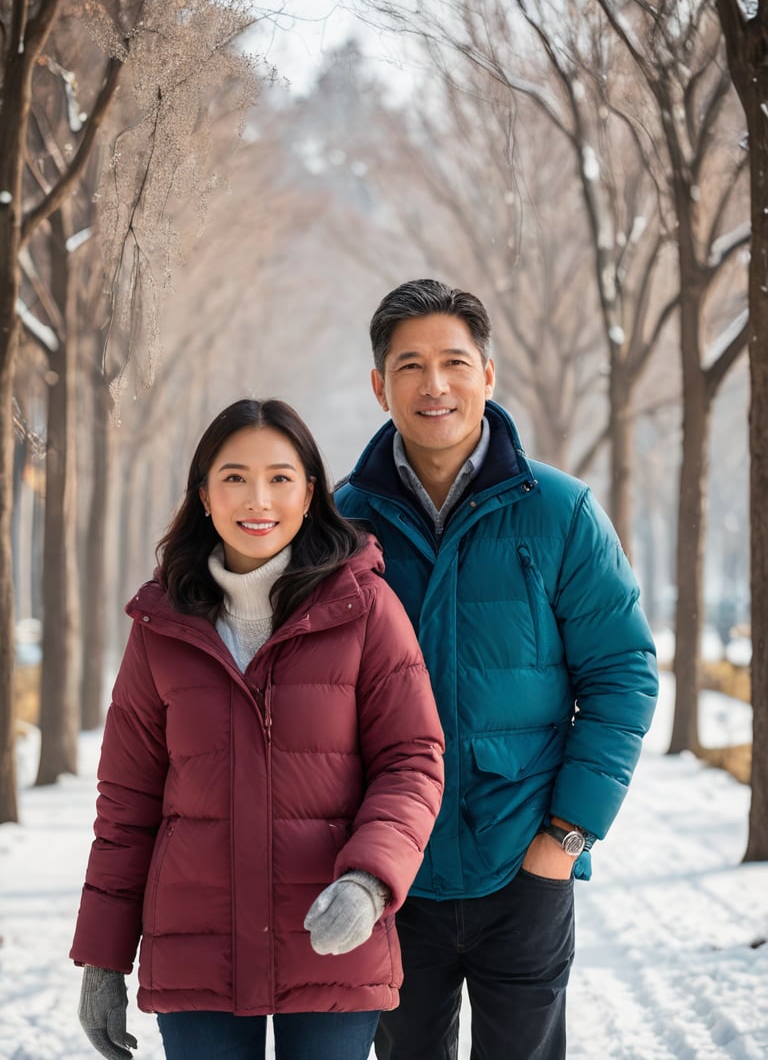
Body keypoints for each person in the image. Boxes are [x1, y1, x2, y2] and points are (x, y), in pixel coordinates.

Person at [335, 280, 659, 1060]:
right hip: (394, 872)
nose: (433, 384)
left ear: (489, 372)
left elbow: (622, 674)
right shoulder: (342, 526)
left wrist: (565, 837)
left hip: (527, 863)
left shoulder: (559, 512)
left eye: (454, 360)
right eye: (409, 365)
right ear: (380, 385)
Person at [71, 397, 445, 1060]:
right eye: (235, 477)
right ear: (205, 497)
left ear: (309, 493)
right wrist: (103, 958)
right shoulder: (161, 627)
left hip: (334, 941)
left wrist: (370, 880)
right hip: (195, 951)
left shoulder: (366, 608)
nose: (258, 499)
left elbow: (411, 763)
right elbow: (126, 805)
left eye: (279, 477)